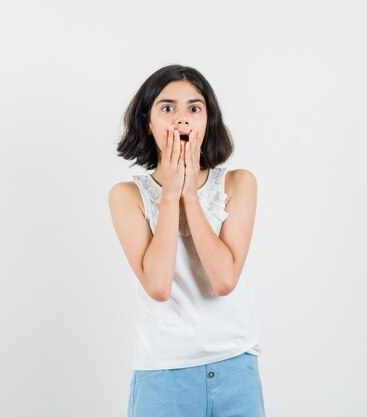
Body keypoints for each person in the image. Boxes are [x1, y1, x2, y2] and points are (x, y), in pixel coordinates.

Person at [108, 64, 266, 417]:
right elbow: (159, 286)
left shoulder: (239, 183)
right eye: (167, 108)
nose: (182, 119)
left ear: (208, 120)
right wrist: (170, 195)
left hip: (235, 367)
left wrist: (191, 196)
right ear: (146, 121)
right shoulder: (126, 195)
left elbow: (224, 280)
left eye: (194, 108)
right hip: (164, 375)